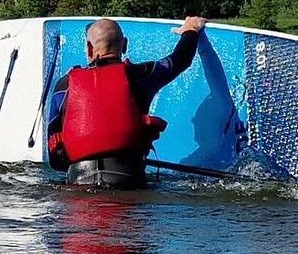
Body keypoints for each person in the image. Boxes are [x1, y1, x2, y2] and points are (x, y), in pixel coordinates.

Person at [47, 16, 208, 187]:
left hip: (78, 187)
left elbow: (55, 160)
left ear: (89, 48)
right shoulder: (141, 75)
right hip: (128, 181)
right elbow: (180, 59)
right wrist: (191, 30)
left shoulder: (64, 85)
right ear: (124, 44)